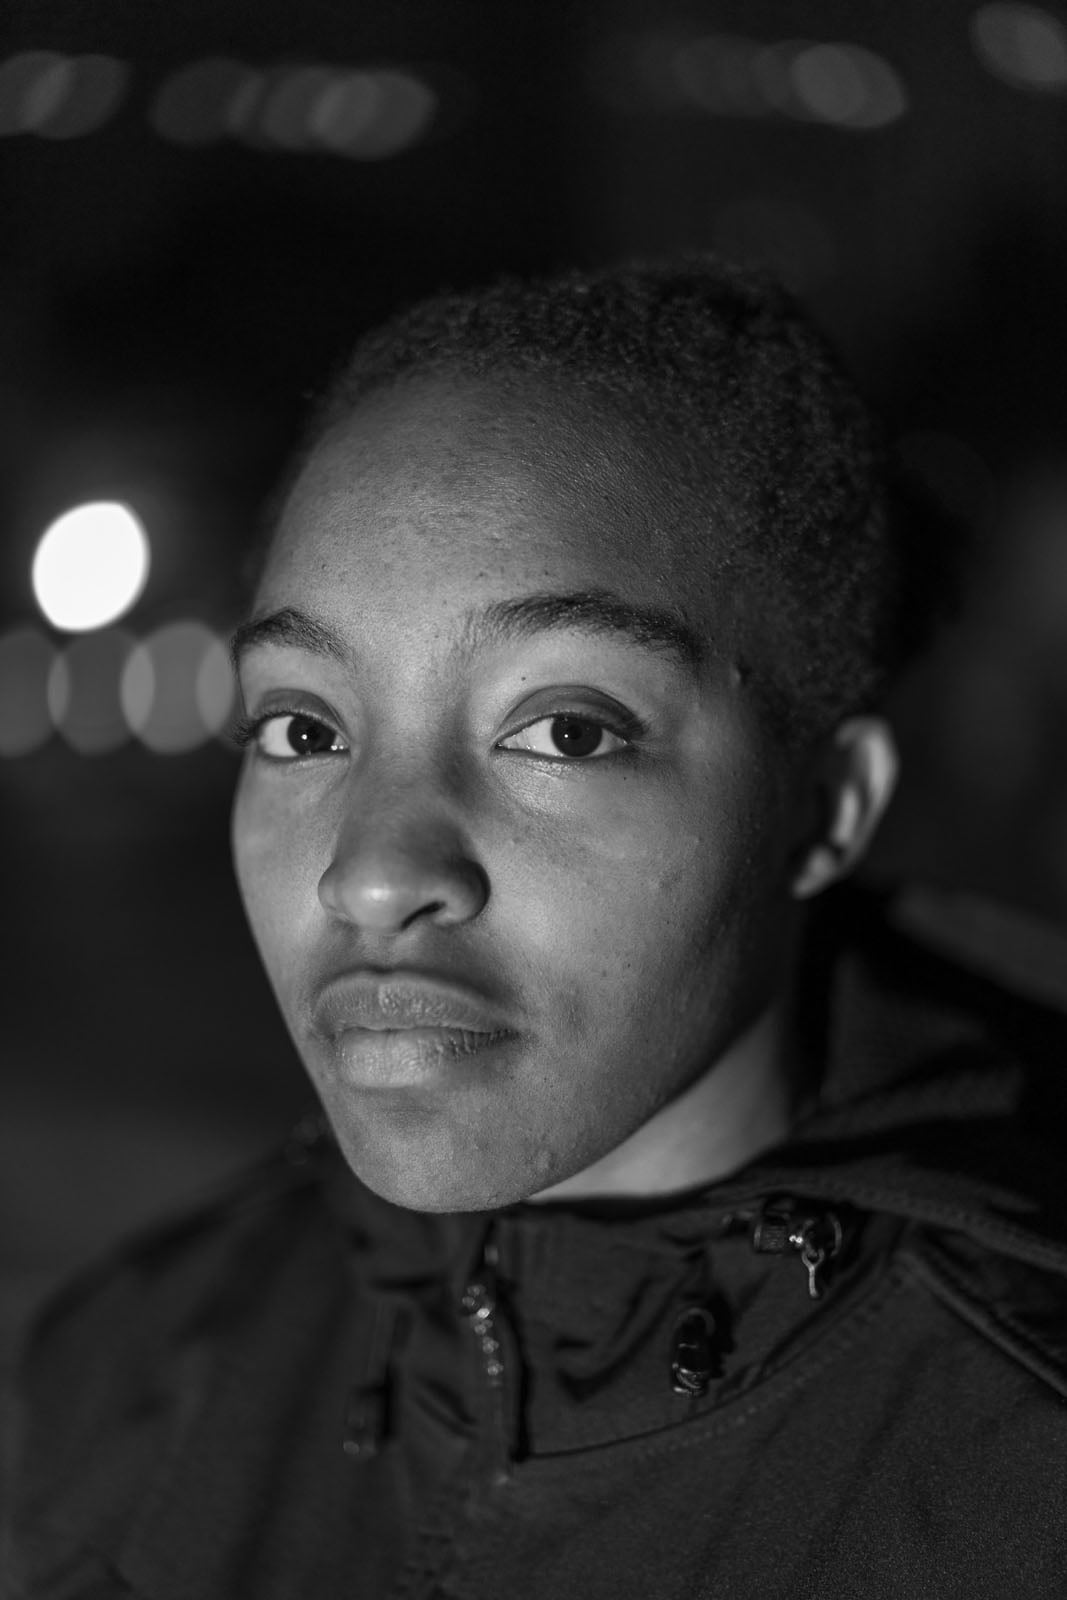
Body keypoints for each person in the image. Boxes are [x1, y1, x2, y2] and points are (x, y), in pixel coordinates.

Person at [5, 257, 1067, 1599]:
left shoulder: (1016, 1486)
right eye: (303, 728)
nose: (373, 873)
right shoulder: (121, 1376)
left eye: (564, 729)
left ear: (828, 806)